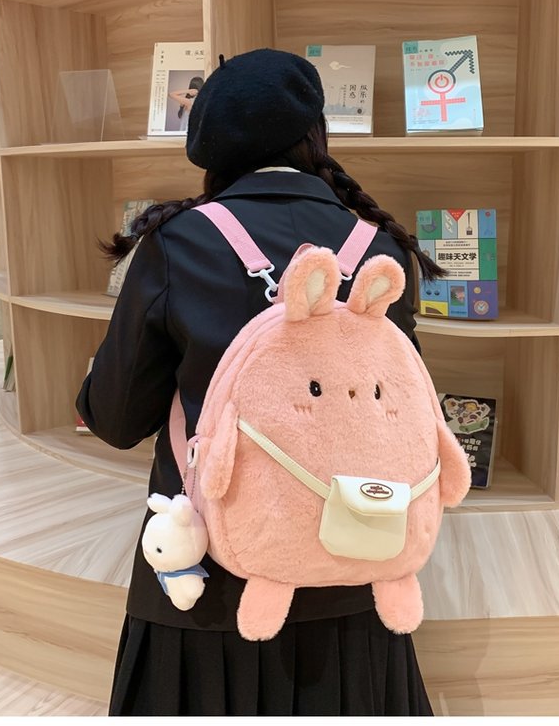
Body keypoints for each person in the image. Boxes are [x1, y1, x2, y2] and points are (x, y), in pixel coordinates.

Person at [76, 48, 444, 717]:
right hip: (358, 556)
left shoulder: (178, 242)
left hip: (209, 576)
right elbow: (404, 409)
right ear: (315, 134)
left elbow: (116, 419)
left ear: (210, 148)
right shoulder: (378, 247)